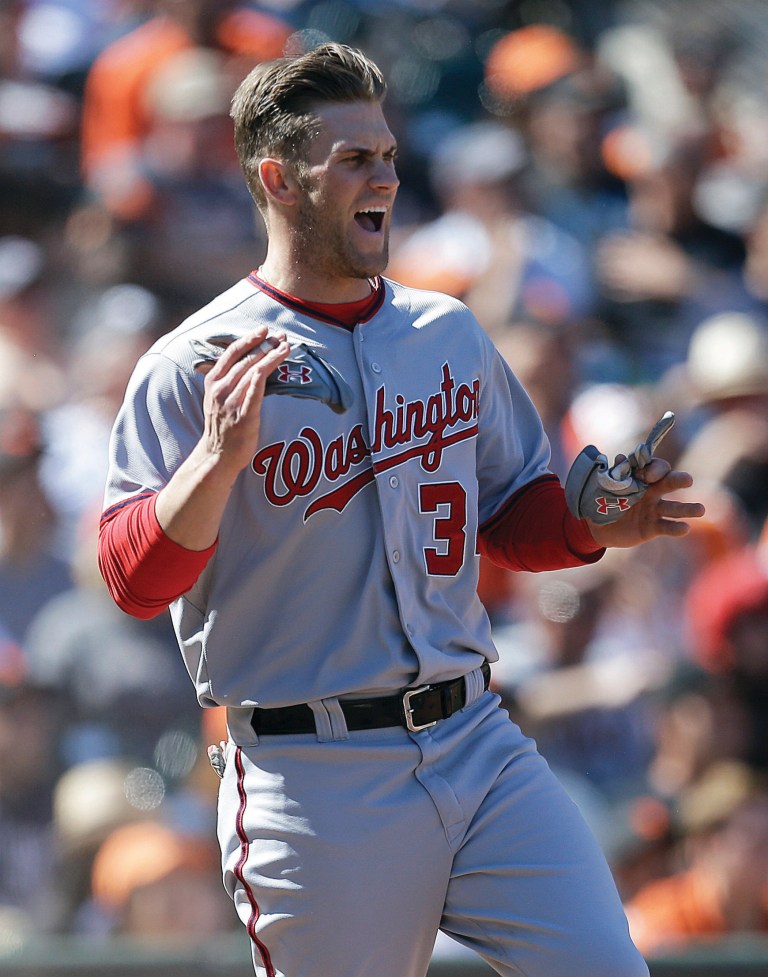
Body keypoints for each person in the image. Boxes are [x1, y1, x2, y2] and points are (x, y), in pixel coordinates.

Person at [98, 43, 705, 977]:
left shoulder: (446, 329)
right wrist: (218, 462)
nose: (385, 174)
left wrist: (591, 525)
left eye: (386, 153)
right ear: (277, 177)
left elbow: (510, 511)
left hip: (477, 740)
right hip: (315, 774)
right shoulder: (194, 363)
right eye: (353, 158)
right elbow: (133, 580)